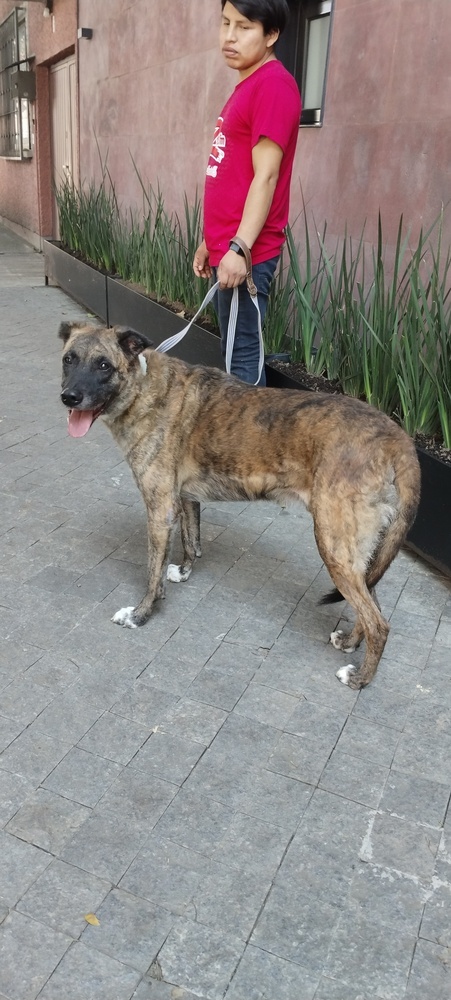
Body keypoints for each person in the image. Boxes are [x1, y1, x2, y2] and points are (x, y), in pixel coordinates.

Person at [193, 0, 301, 385]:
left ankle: (252, 447)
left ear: (271, 34)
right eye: (225, 24)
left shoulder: (273, 86)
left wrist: (239, 248)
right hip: (230, 248)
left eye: (244, 27)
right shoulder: (249, 84)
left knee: (242, 362)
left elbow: (266, 177)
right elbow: (233, 172)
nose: (229, 36)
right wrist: (213, 241)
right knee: (234, 352)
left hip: (247, 253)